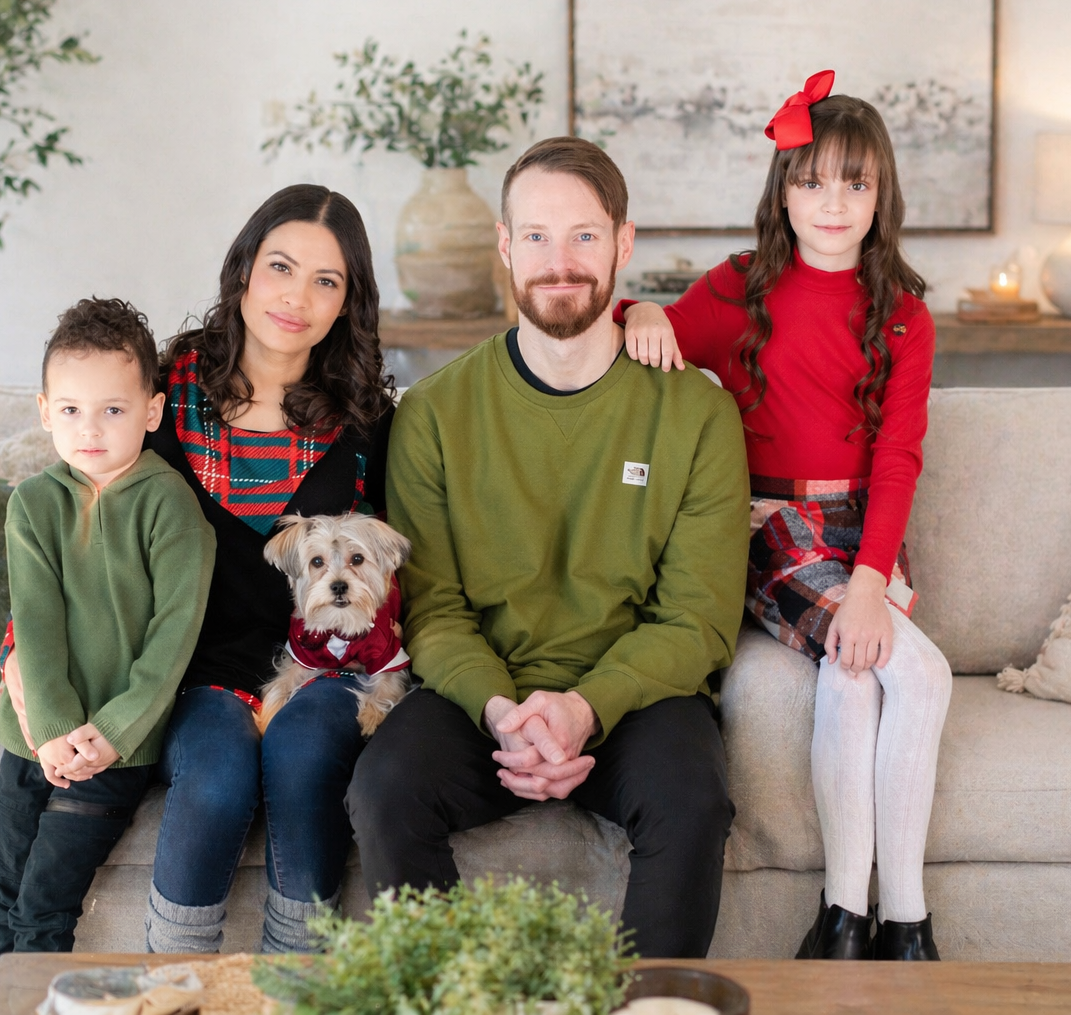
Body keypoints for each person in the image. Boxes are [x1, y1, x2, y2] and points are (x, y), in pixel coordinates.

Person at [346, 137, 748, 959]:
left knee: (694, 802)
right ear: (505, 244)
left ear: (623, 244)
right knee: (384, 791)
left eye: (584, 236)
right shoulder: (434, 414)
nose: (559, 262)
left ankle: (651, 1010)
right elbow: (434, 607)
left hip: (637, 699)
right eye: (536, 236)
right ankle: (456, 997)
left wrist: (583, 709)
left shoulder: (697, 415)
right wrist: (504, 712)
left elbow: (697, 619)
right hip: (484, 695)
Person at [1, 185, 395, 954]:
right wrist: (19, 650)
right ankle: (175, 983)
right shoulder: (163, 389)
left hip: (313, 667)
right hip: (181, 669)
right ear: (243, 269)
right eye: (280, 266)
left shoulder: (366, 419)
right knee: (217, 780)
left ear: (347, 302)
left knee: (305, 761)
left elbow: (384, 567)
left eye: (326, 281)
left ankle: (295, 984)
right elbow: (80, 515)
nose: (296, 296)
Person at [618, 72, 953, 960]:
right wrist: (641, 308)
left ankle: (845, 922)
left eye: (855, 183)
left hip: (861, 530)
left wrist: (872, 582)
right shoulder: (739, 287)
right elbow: (637, 328)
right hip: (768, 524)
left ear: (881, 195)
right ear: (783, 193)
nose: (833, 203)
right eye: (812, 181)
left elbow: (899, 458)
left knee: (857, 674)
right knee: (922, 676)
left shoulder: (905, 315)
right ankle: (910, 926)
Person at [0, 298, 216, 981]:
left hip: (113, 749)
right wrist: (50, 731)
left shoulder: (171, 505)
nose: (90, 429)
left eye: (113, 409)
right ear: (44, 411)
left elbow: (173, 638)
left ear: (152, 410)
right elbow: (36, 620)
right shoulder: (33, 504)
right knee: (7, 899)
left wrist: (110, 733)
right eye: (71, 409)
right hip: (29, 742)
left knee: (43, 909)